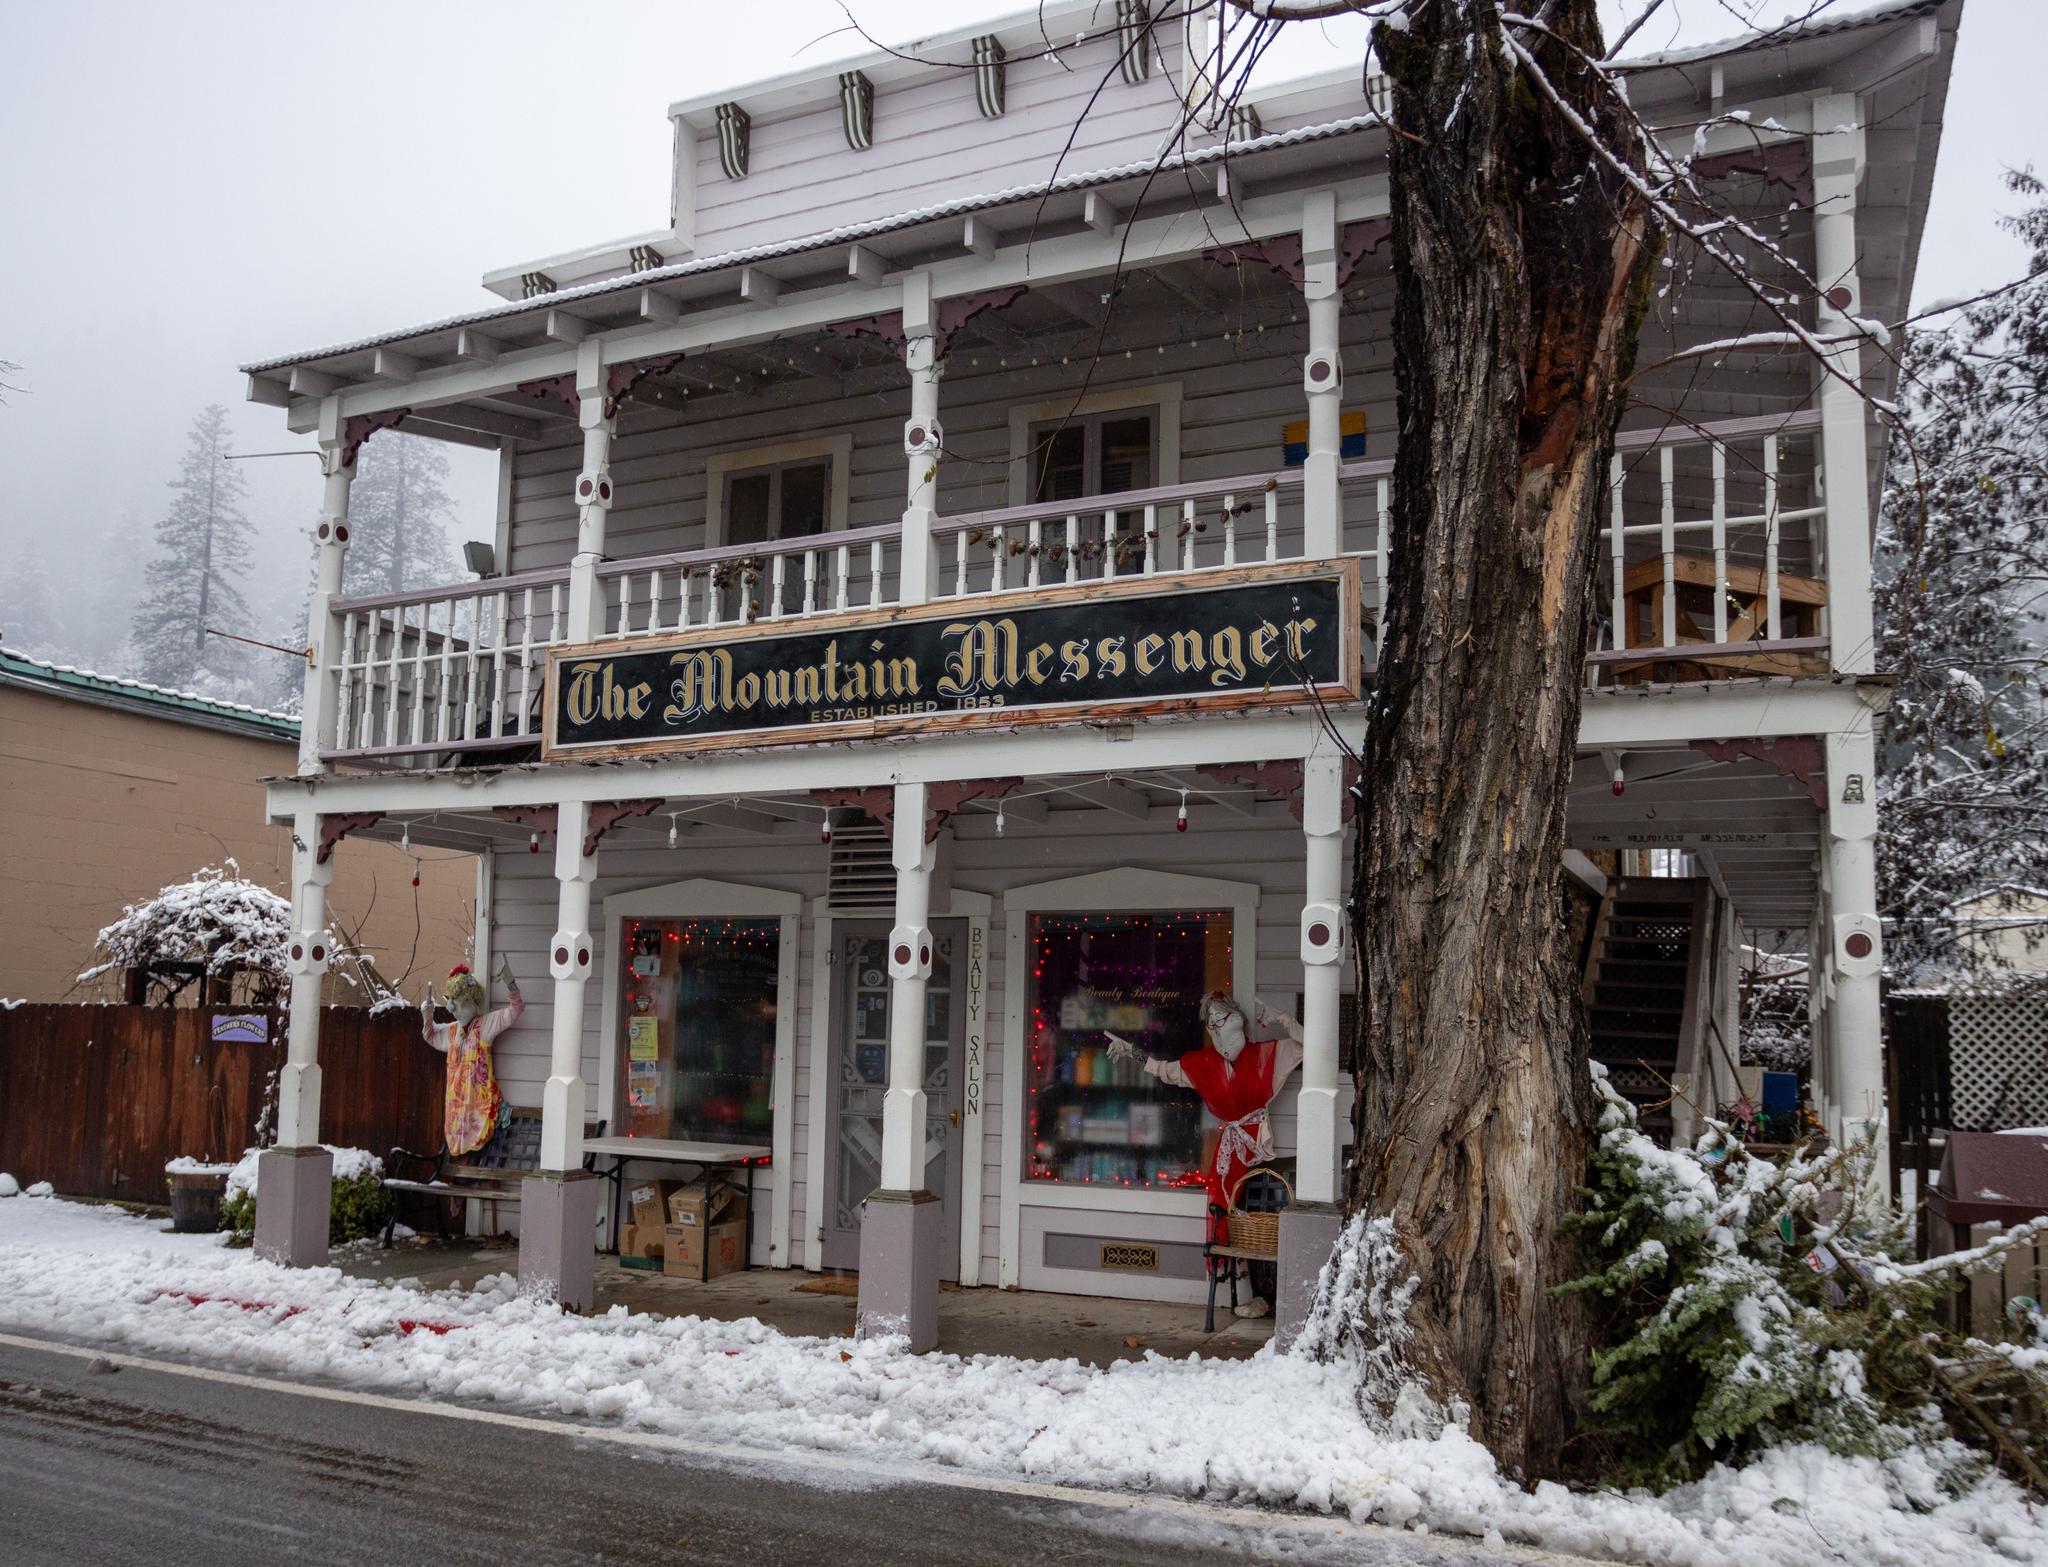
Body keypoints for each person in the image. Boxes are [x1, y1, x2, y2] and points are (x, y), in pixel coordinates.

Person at [1105, 992, 1302, 1317]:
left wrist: (1281, 1017)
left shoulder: (1269, 1055)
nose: (1215, 1023)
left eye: (1221, 1016)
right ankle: (1242, 1297)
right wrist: (1131, 1051)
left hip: (1257, 1152)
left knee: (1259, 1217)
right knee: (1226, 1213)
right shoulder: (1204, 1065)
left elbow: (1312, 1045)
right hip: (1230, 1154)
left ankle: (1274, 1293)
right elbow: (1162, 1070)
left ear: (1237, 1020)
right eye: (1210, 1021)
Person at [420, 956, 523, 1156]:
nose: (453, 1008)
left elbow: (515, 1010)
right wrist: (428, 1015)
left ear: (472, 1001)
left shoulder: (485, 1026)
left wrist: (510, 983)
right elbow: (430, 1034)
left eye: (459, 1002)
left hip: (479, 1108)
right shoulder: (451, 1032)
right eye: (451, 1001)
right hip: (456, 1112)